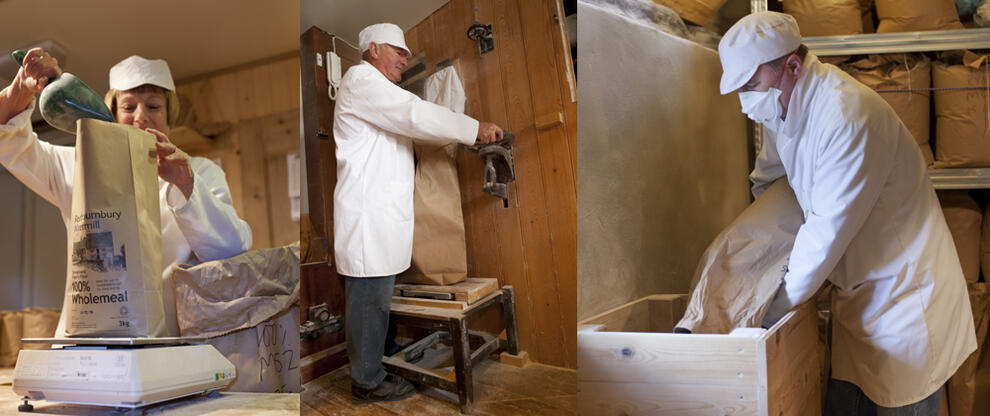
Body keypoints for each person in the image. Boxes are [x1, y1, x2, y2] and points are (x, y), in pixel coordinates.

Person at [718, 12, 976, 415]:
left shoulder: (847, 116)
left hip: (904, 302)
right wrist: (758, 258)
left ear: (791, 65)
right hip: (859, 297)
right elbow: (769, 185)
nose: (747, 102)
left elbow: (823, 237)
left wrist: (762, 313)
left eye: (752, 86)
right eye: (740, 89)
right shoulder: (781, 104)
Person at [0, 49, 252, 337]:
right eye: (129, 107)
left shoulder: (201, 172)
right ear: (112, 115)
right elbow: (11, 146)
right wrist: (18, 92)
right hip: (86, 343)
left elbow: (231, 248)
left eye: (154, 106)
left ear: (170, 116)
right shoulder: (79, 164)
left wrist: (184, 183)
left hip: (166, 342)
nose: (140, 118)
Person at [332, 23, 503, 404]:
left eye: (408, 54)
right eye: (399, 51)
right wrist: (474, 128)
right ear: (373, 48)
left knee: (379, 296)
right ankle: (366, 382)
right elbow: (412, 113)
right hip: (367, 214)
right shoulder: (360, 79)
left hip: (381, 213)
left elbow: (409, 122)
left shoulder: (379, 92)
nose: (406, 60)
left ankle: (381, 359)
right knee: (368, 296)